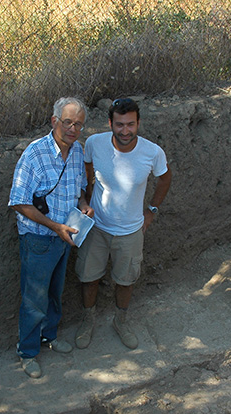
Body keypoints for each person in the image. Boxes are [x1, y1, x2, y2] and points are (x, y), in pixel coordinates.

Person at [75, 98, 172, 349]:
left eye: (130, 124)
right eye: (119, 124)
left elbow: (165, 179)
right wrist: (85, 199)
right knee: (89, 277)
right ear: (110, 123)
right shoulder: (95, 143)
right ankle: (88, 321)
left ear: (138, 123)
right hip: (97, 227)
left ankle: (121, 320)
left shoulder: (152, 153)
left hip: (131, 231)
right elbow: (86, 171)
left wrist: (151, 211)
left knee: (125, 280)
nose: (125, 131)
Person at [8, 97, 93, 378]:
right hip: (39, 239)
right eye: (67, 122)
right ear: (54, 121)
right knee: (34, 298)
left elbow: (80, 188)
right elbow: (19, 202)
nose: (72, 128)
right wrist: (54, 226)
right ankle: (28, 351)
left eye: (78, 124)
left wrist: (82, 205)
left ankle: (49, 336)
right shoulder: (35, 154)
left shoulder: (78, 151)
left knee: (55, 292)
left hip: (64, 236)